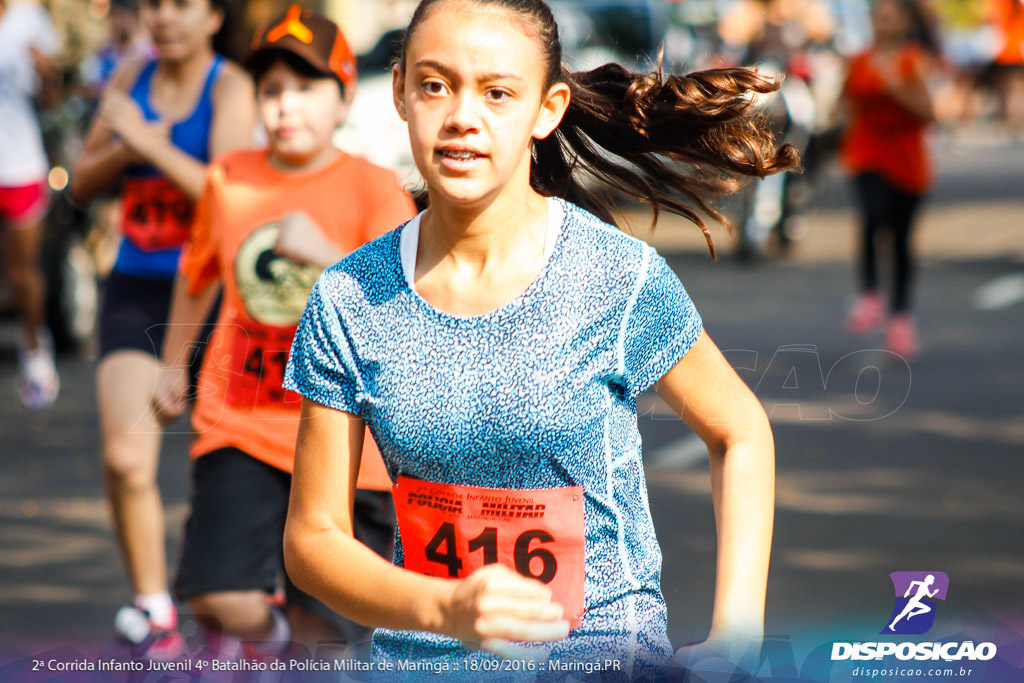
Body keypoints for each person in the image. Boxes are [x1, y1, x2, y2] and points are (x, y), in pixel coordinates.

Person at [282, 0, 790, 677]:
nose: (462, 115)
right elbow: (313, 539)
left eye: (498, 92)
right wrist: (445, 607)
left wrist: (737, 633)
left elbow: (741, 431)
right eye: (435, 85)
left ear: (546, 109)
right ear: (400, 91)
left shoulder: (616, 276)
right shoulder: (349, 298)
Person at [150, 6, 416, 657]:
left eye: (305, 88)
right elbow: (197, 274)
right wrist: (172, 364)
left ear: (344, 97)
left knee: (326, 633)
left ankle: (296, 650)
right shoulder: (229, 178)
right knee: (217, 596)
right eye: (271, 90)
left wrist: (326, 253)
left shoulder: (375, 189)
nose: (285, 105)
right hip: (240, 423)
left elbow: (408, 313)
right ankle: (271, 645)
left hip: (349, 447)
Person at [68, 0, 255, 656]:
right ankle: (154, 609)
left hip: (217, 290)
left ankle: (230, 600)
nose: (164, 18)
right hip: (138, 284)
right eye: (153, 5)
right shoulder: (128, 78)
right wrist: (122, 149)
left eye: (182, 5)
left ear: (212, 16)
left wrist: (151, 143)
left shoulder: (229, 86)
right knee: (125, 455)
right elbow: (80, 186)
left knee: (226, 462)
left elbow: (230, 196)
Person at [841, 0, 935, 359]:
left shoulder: (914, 62)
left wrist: (897, 88)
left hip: (908, 163)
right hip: (866, 155)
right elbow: (845, 103)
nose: (883, 24)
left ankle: (900, 320)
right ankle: (869, 296)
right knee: (871, 214)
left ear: (904, 24)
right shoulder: (859, 61)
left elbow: (928, 113)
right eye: (878, 18)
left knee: (900, 242)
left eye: (890, 18)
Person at [0, 0, 61, 411]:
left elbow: (53, 102)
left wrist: (46, 75)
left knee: (21, 275)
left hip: (18, 165)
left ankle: (35, 349)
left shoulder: (28, 17)